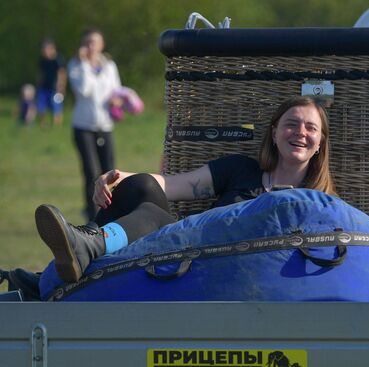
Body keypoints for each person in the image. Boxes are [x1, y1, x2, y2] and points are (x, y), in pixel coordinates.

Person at [33, 96, 337, 285]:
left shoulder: (320, 203)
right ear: (274, 132)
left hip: (218, 271)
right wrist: (120, 177)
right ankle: (72, 257)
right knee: (141, 185)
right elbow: (172, 184)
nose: (300, 132)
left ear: (320, 142)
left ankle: (76, 253)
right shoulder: (242, 170)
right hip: (187, 252)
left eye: (311, 128)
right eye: (291, 124)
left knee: (155, 217)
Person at [67, 28, 121, 221]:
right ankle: (92, 214)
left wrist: (118, 101)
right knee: (91, 171)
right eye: (87, 42)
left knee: (109, 170)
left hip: (104, 125)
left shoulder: (109, 66)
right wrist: (84, 64)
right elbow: (84, 90)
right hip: (83, 127)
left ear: (101, 44)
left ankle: (110, 212)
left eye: (94, 42)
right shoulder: (75, 65)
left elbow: (117, 90)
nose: (91, 46)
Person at [36, 39, 66, 127]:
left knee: (56, 106)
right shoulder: (42, 60)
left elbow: (62, 73)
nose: (44, 51)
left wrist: (61, 86)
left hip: (55, 88)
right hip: (43, 87)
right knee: (41, 105)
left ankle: (56, 125)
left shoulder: (58, 60)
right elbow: (40, 73)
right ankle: (42, 123)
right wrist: (38, 84)